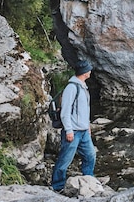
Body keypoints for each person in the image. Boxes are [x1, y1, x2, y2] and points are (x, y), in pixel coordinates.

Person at [51, 60, 95, 192]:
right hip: (73, 132)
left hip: (83, 131)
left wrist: (88, 126)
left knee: (90, 155)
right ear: (84, 72)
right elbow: (65, 112)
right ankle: (57, 186)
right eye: (89, 69)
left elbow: (84, 109)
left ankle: (88, 179)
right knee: (65, 159)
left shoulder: (83, 86)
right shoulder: (72, 87)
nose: (90, 71)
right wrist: (69, 130)